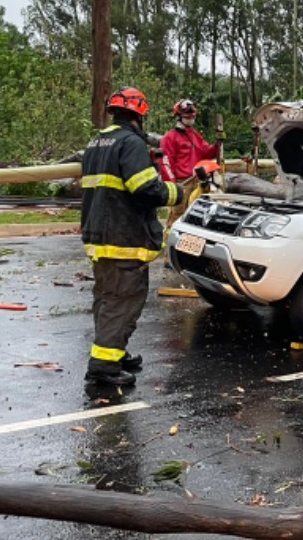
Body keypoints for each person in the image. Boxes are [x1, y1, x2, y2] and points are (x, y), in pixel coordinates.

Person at [81, 87, 184, 386]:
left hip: (99, 234)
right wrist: (176, 192)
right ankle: (103, 367)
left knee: (106, 298)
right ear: (140, 114)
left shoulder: (97, 142)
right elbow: (145, 189)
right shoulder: (131, 143)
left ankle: (114, 352)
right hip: (122, 237)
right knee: (122, 301)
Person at [159, 99, 221, 253]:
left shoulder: (195, 135)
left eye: (192, 115)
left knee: (195, 218)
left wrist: (217, 145)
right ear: (179, 116)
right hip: (182, 183)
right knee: (176, 217)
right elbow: (165, 162)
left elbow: (207, 152)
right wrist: (172, 184)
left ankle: (188, 253)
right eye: (187, 115)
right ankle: (169, 254)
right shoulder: (170, 138)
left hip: (197, 182)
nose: (191, 118)